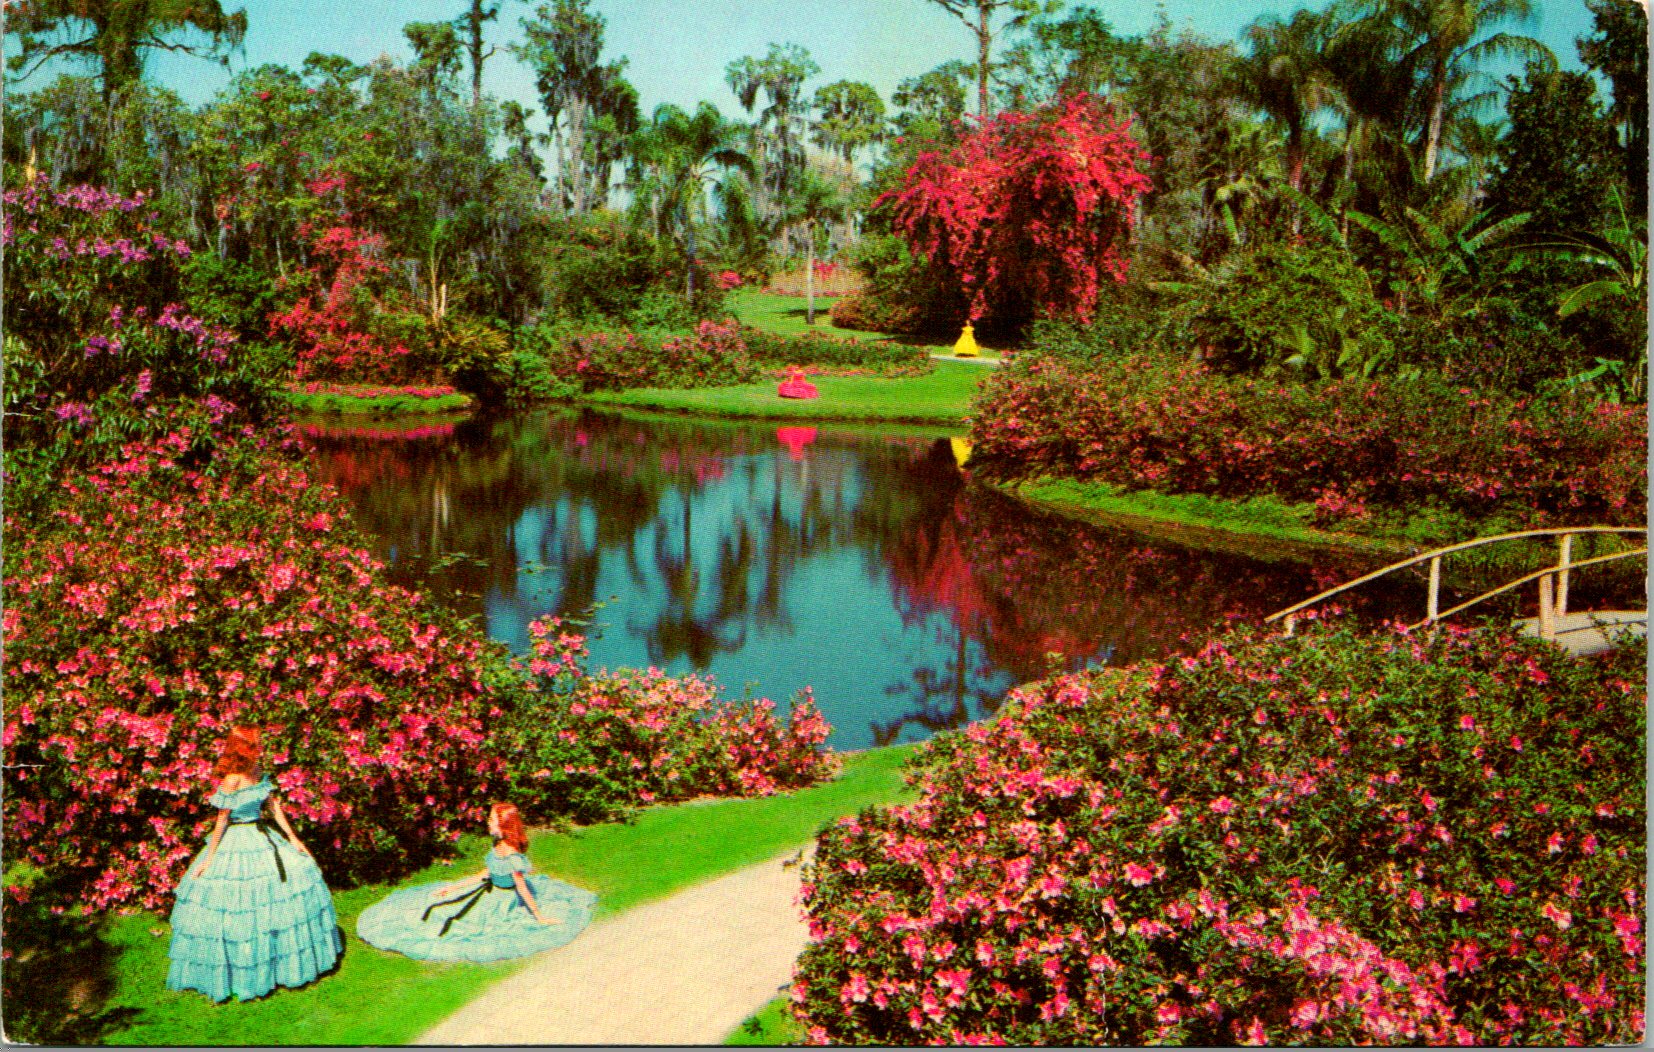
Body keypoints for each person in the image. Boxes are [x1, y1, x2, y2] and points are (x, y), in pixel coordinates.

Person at [166, 726, 343, 1002]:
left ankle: (276, 966)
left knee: (281, 892)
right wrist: (210, 859)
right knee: (238, 905)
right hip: (235, 840)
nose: (259, 747)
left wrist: (293, 838)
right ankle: (242, 973)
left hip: (262, 836)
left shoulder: (257, 770)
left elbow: (273, 806)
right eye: (255, 743)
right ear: (243, 747)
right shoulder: (231, 779)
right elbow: (222, 820)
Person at [355, 802, 596, 963]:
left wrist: (538, 915)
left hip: (502, 900)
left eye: (491, 820)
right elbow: (487, 872)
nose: (487, 823)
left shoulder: (512, 856)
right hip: (487, 889)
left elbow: (521, 886)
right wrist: (454, 887)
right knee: (440, 906)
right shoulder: (498, 845)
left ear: (504, 825)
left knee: (467, 924)